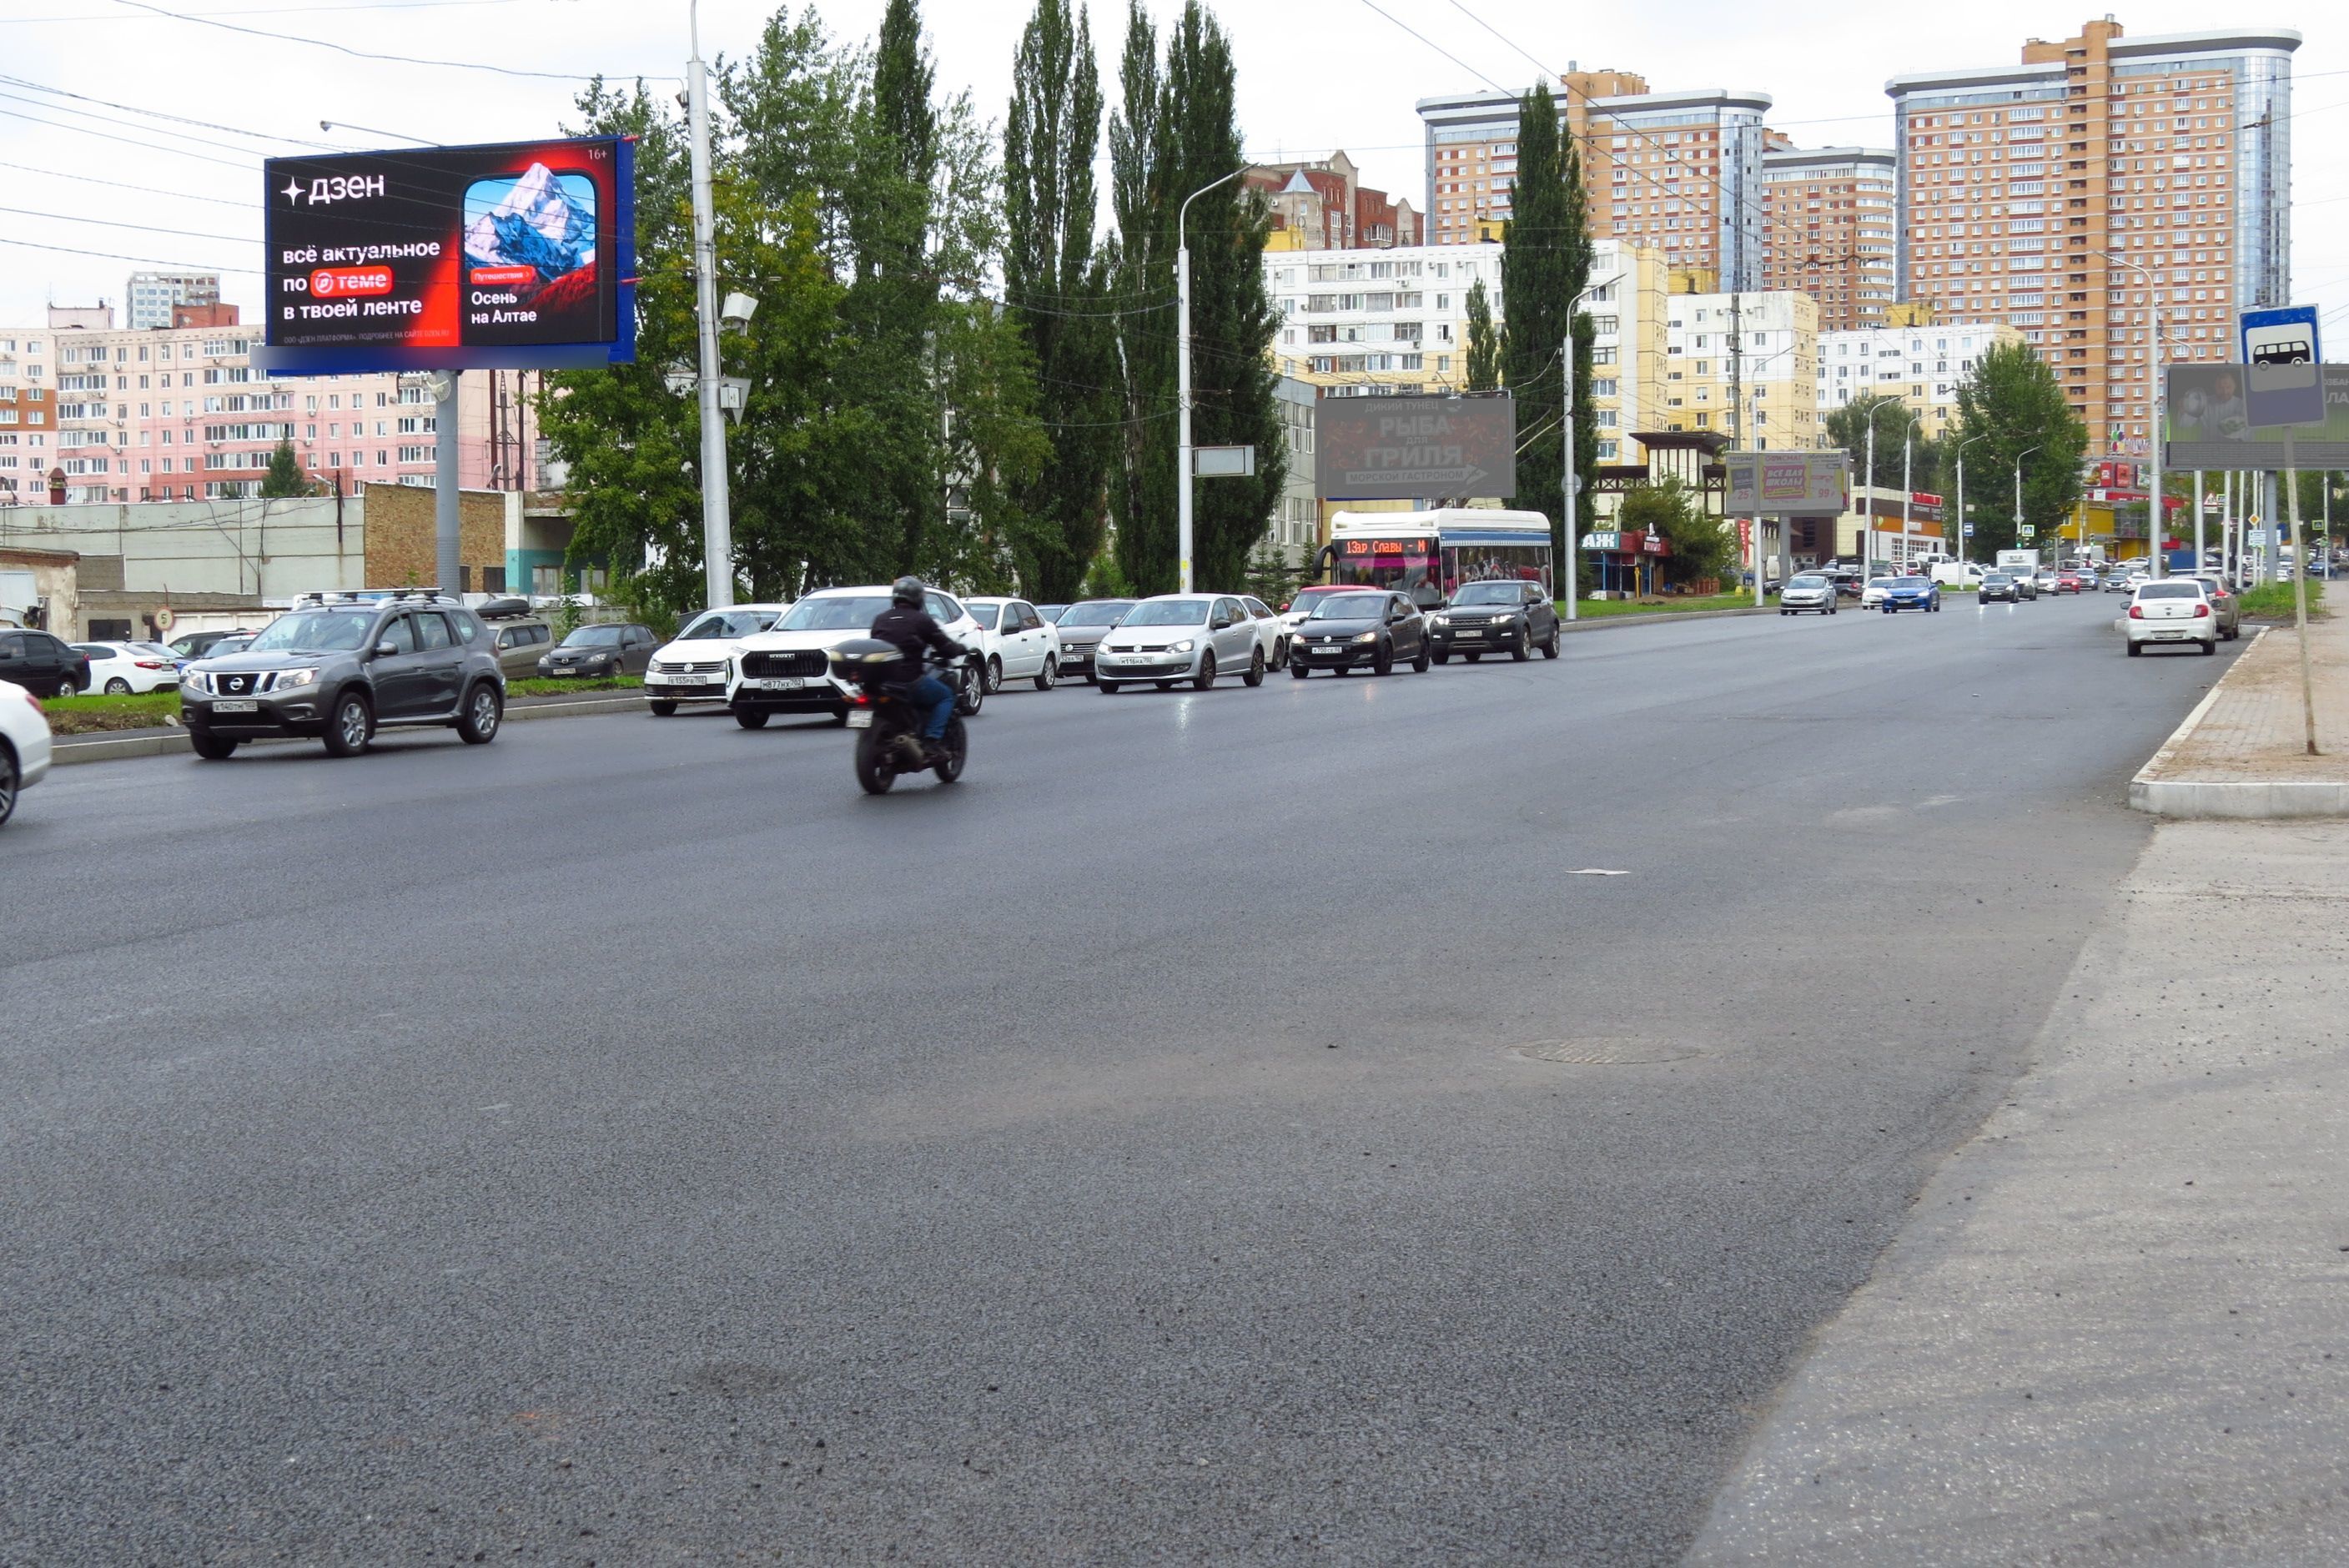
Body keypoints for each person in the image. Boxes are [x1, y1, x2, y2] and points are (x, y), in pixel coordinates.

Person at [869, 575, 965, 765]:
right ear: (917, 598)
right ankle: (932, 740)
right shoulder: (921, 620)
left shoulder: (880, 619)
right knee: (945, 696)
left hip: (881, 682)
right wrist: (960, 649)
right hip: (908, 680)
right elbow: (945, 645)